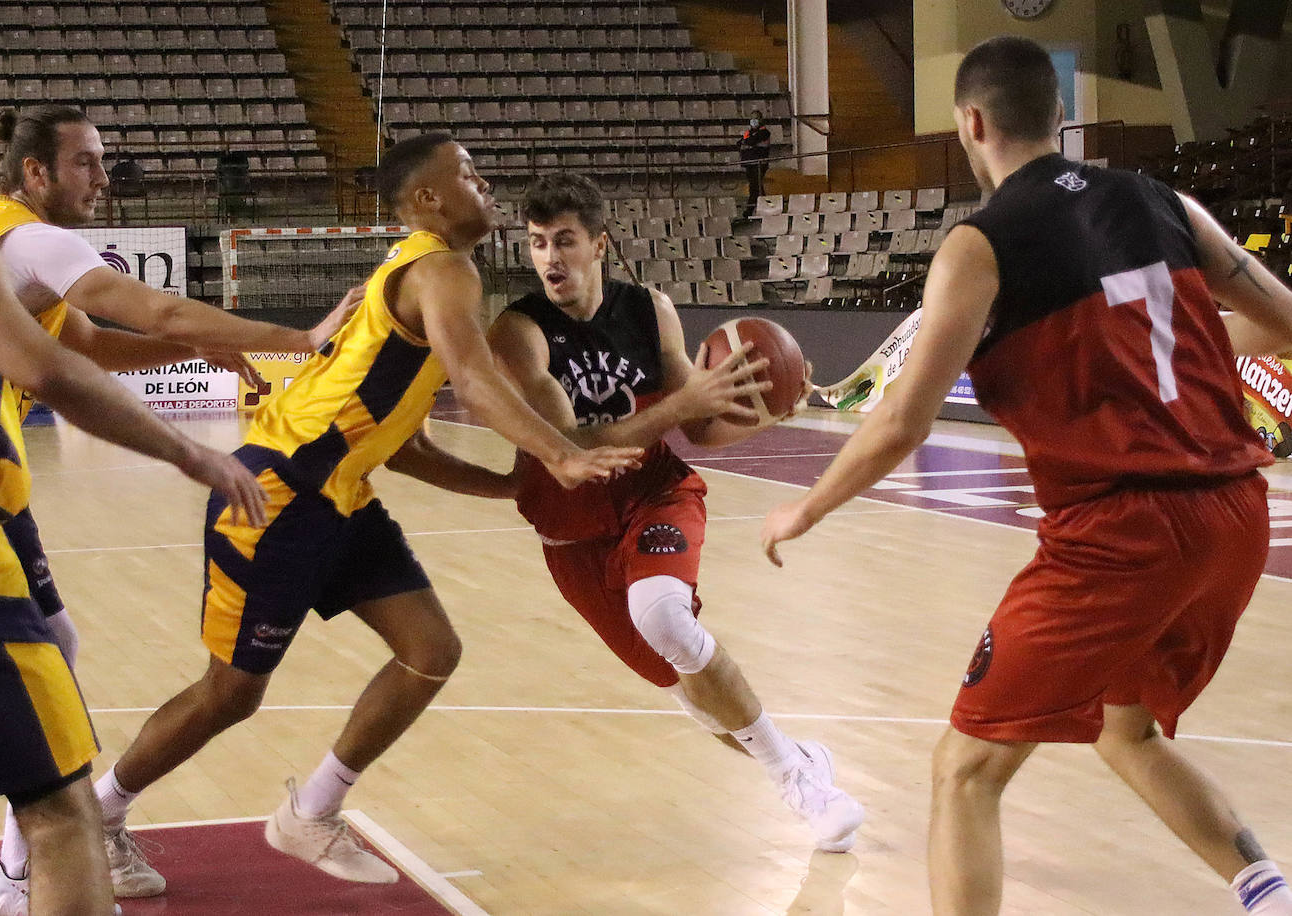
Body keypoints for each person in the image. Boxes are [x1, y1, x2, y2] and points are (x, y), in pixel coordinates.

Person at [760, 35, 1292, 916]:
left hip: (1124, 532)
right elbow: (1280, 324)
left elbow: (902, 421)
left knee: (964, 770)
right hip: (1236, 517)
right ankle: (1266, 892)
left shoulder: (979, 244)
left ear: (971, 122)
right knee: (1127, 729)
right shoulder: (1168, 201)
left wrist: (807, 509)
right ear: (1059, 115)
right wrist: (1170, 350)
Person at [89, 134, 642, 898]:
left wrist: (505, 488)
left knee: (431, 649)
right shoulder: (440, 268)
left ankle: (310, 812)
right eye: (468, 176)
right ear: (425, 200)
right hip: (275, 495)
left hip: (341, 497)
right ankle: (99, 815)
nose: (485, 185)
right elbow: (478, 384)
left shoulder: (419, 275)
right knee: (232, 692)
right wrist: (560, 455)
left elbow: (404, 447)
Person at [0, 103, 356, 916]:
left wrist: (197, 347)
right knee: (43, 674)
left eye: (103, 160)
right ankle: (19, 876)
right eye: (85, 161)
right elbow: (147, 310)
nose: (102, 176)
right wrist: (295, 341)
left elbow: (84, 341)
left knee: (22, 649)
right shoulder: (27, 239)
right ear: (35, 173)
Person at [483, 172, 865, 852]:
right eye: (538, 244)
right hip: (571, 534)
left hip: (655, 494)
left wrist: (769, 414)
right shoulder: (518, 332)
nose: (549, 259)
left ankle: (802, 788)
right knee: (693, 693)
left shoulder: (649, 309)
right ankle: (802, 762)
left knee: (664, 617)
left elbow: (700, 432)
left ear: (598, 245)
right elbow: (571, 446)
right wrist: (678, 407)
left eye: (564, 242)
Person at [738, 110, 771, 218]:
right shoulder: (749, 132)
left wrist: (747, 142)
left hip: (759, 163)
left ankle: (750, 209)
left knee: (756, 186)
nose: (753, 121)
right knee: (755, 186)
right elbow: (739, 143)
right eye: (752, 118)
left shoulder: (764, 132)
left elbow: (750, 141)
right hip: (749, 163)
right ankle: (765, 207)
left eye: (756, 118)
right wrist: (746, 142)